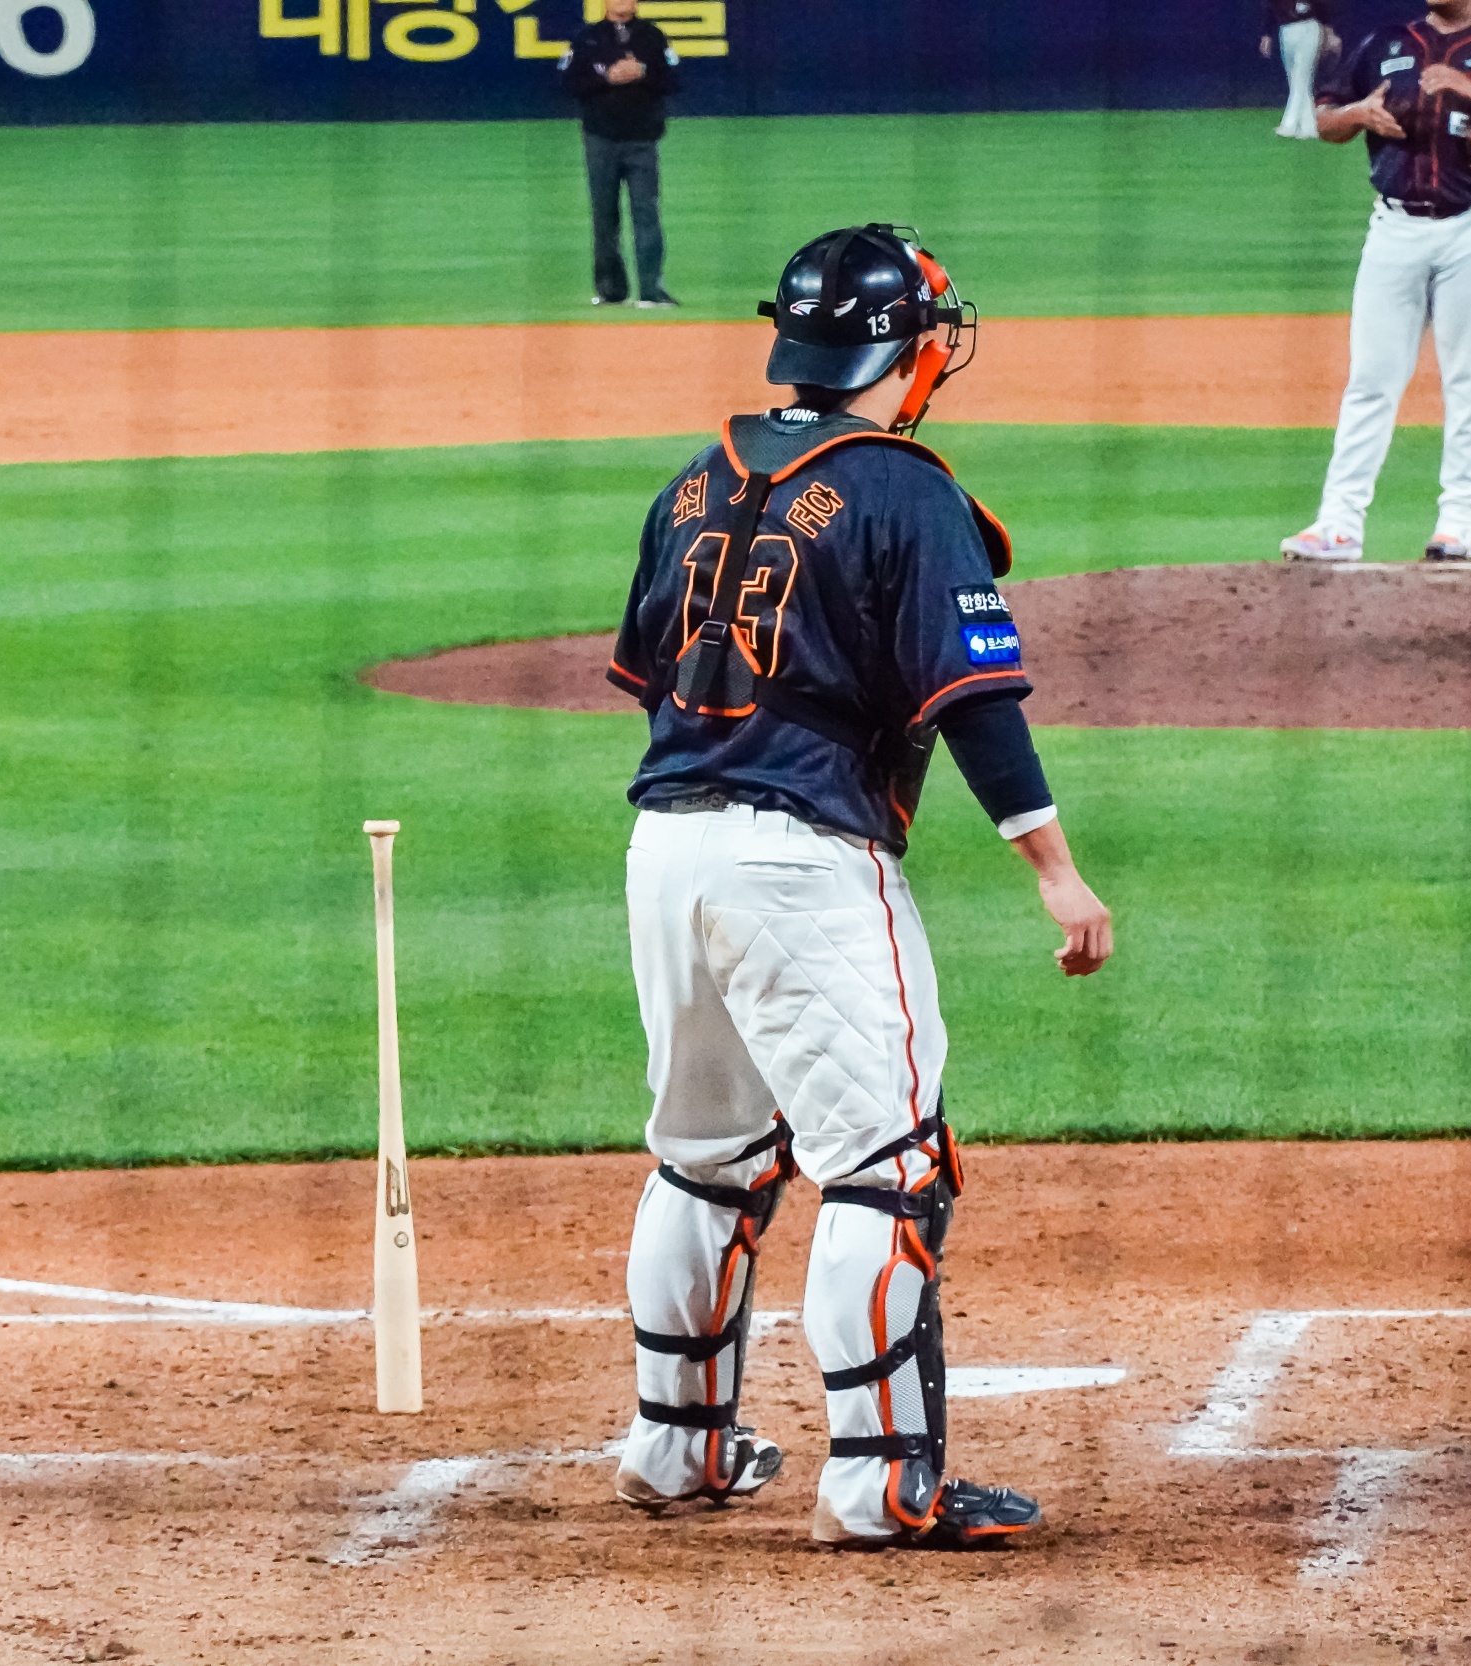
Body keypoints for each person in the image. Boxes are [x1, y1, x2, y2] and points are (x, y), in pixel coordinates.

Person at [602, 225, 1115, 1547]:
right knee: (890, 1167)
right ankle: (884, 1483)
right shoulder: (903, 490)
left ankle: (675, 1447)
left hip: (665, 845)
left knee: (705, 1158)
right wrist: (1056, 873)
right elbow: (975, 700)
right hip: (802, 862)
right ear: (912, 351)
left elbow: (655, 673)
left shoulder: (694, 482)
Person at [1279, 0, 1471, 564]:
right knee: (1370, 380)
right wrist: (1359, 114)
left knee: (1467, 379)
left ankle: (1458, 524)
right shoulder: (1384, 43)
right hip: (1393, 229)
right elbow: (1326, 119)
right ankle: (1339, 524)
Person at [560, 0, 679, 309]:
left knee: (646, 214)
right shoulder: (587, 38)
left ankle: (651, 291)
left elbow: (673, 80)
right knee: (604, 217)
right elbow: (568, 83)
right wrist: (607, 78)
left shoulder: (652, 36)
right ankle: (611, 291)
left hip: (642, 139)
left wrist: (642, 71)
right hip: (600, 139)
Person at [1261, 0, 1341, 140]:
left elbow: (1322, 5)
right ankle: (1309, 127)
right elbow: (1271, 6)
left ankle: (1289, 125)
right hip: (1286, 28)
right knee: (1295, 80)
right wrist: (1267, 34)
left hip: (1308, 27)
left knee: (1301, 78)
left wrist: (1329, 32)